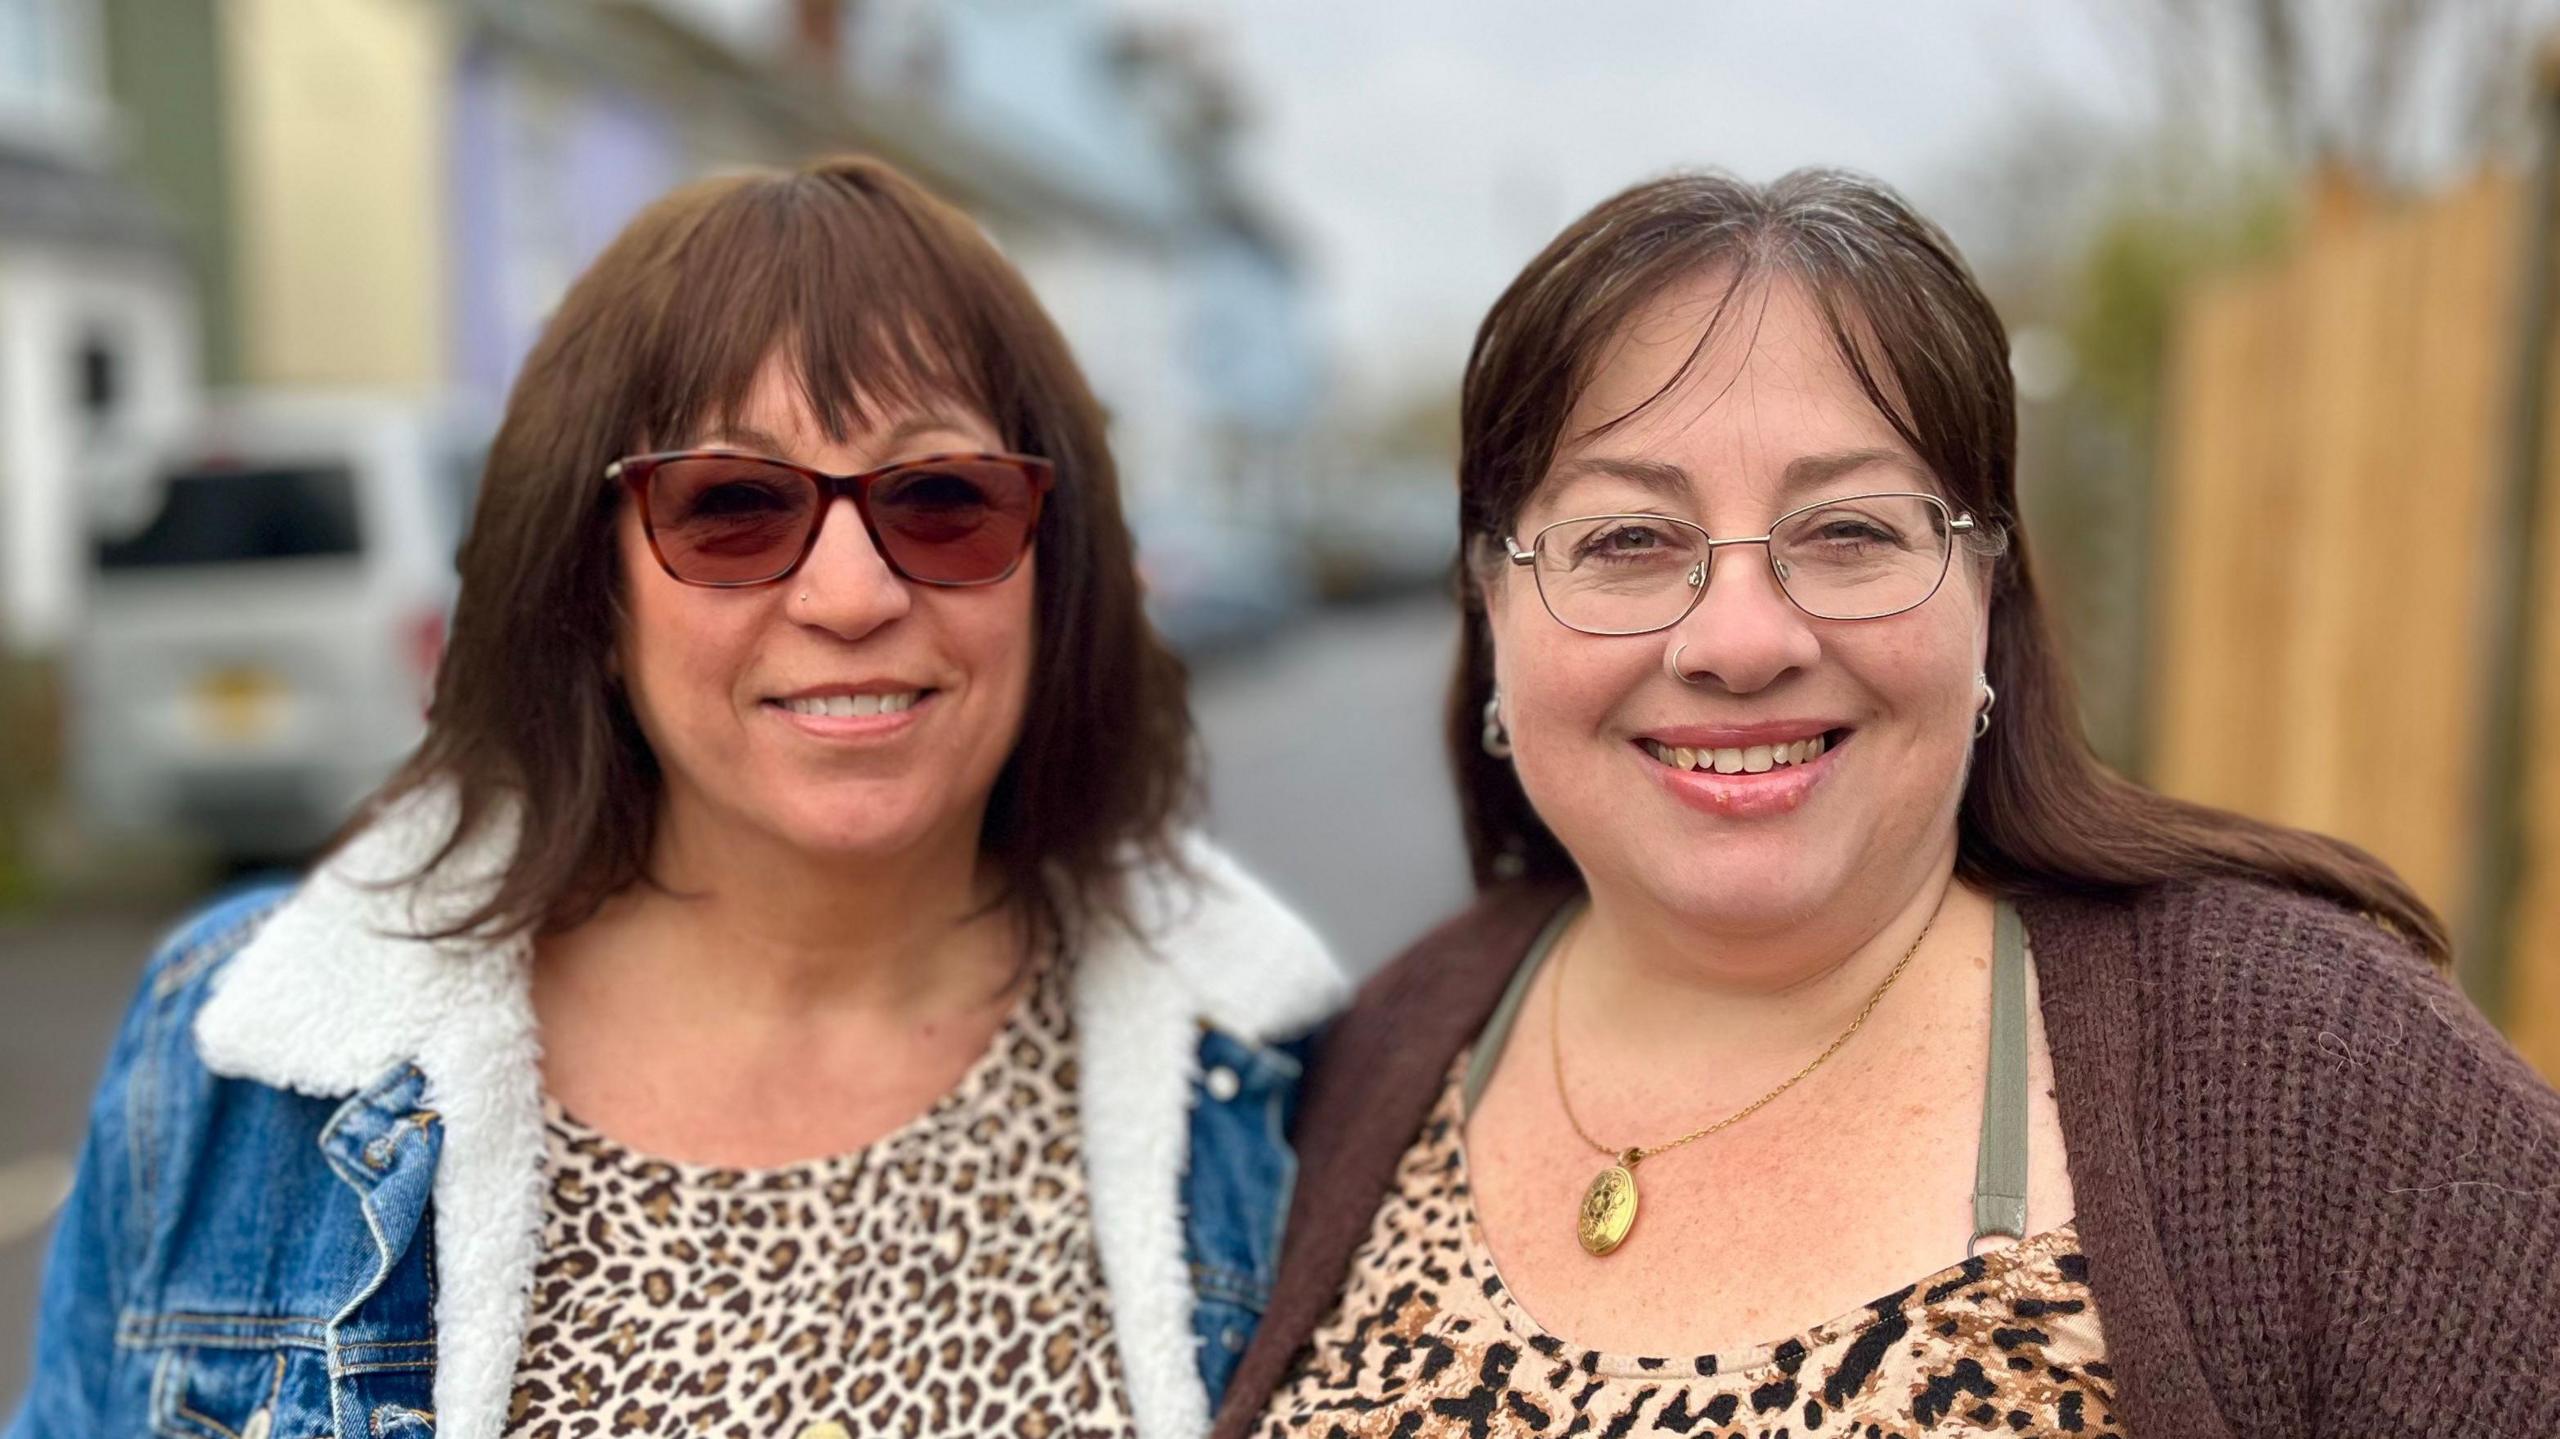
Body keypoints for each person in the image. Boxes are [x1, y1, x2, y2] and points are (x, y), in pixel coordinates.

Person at [12, 156, 1340, 1439]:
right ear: (592, 593)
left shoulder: (1274, 1085)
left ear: (1059, 572)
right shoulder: (238, 1055)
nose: (851, 594)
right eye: (731, 507)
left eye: (941, 500)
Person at [1218, 169, 2560, 1438]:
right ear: (1491, 600)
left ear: (1989, 592)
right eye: (1629, 540)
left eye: (1849, 532)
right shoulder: (1367, 1066)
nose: (1739, 641)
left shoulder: (2308, 1068)